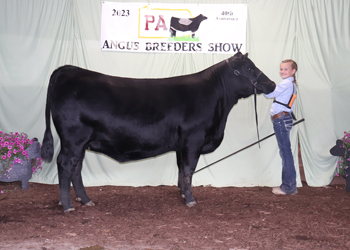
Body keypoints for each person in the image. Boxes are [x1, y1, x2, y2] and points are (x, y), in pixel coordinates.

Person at [264, 59, 298, 195]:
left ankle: (288, 187)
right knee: (286, 153)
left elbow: (270, 94)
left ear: (293, 71)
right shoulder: (291, 84)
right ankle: (288, 185)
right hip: (284, 119)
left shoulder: (286, 83)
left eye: (286, 69)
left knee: (285, 154)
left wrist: (262, 86)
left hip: (281, 120)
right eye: (281, 69)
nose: (282, 71)